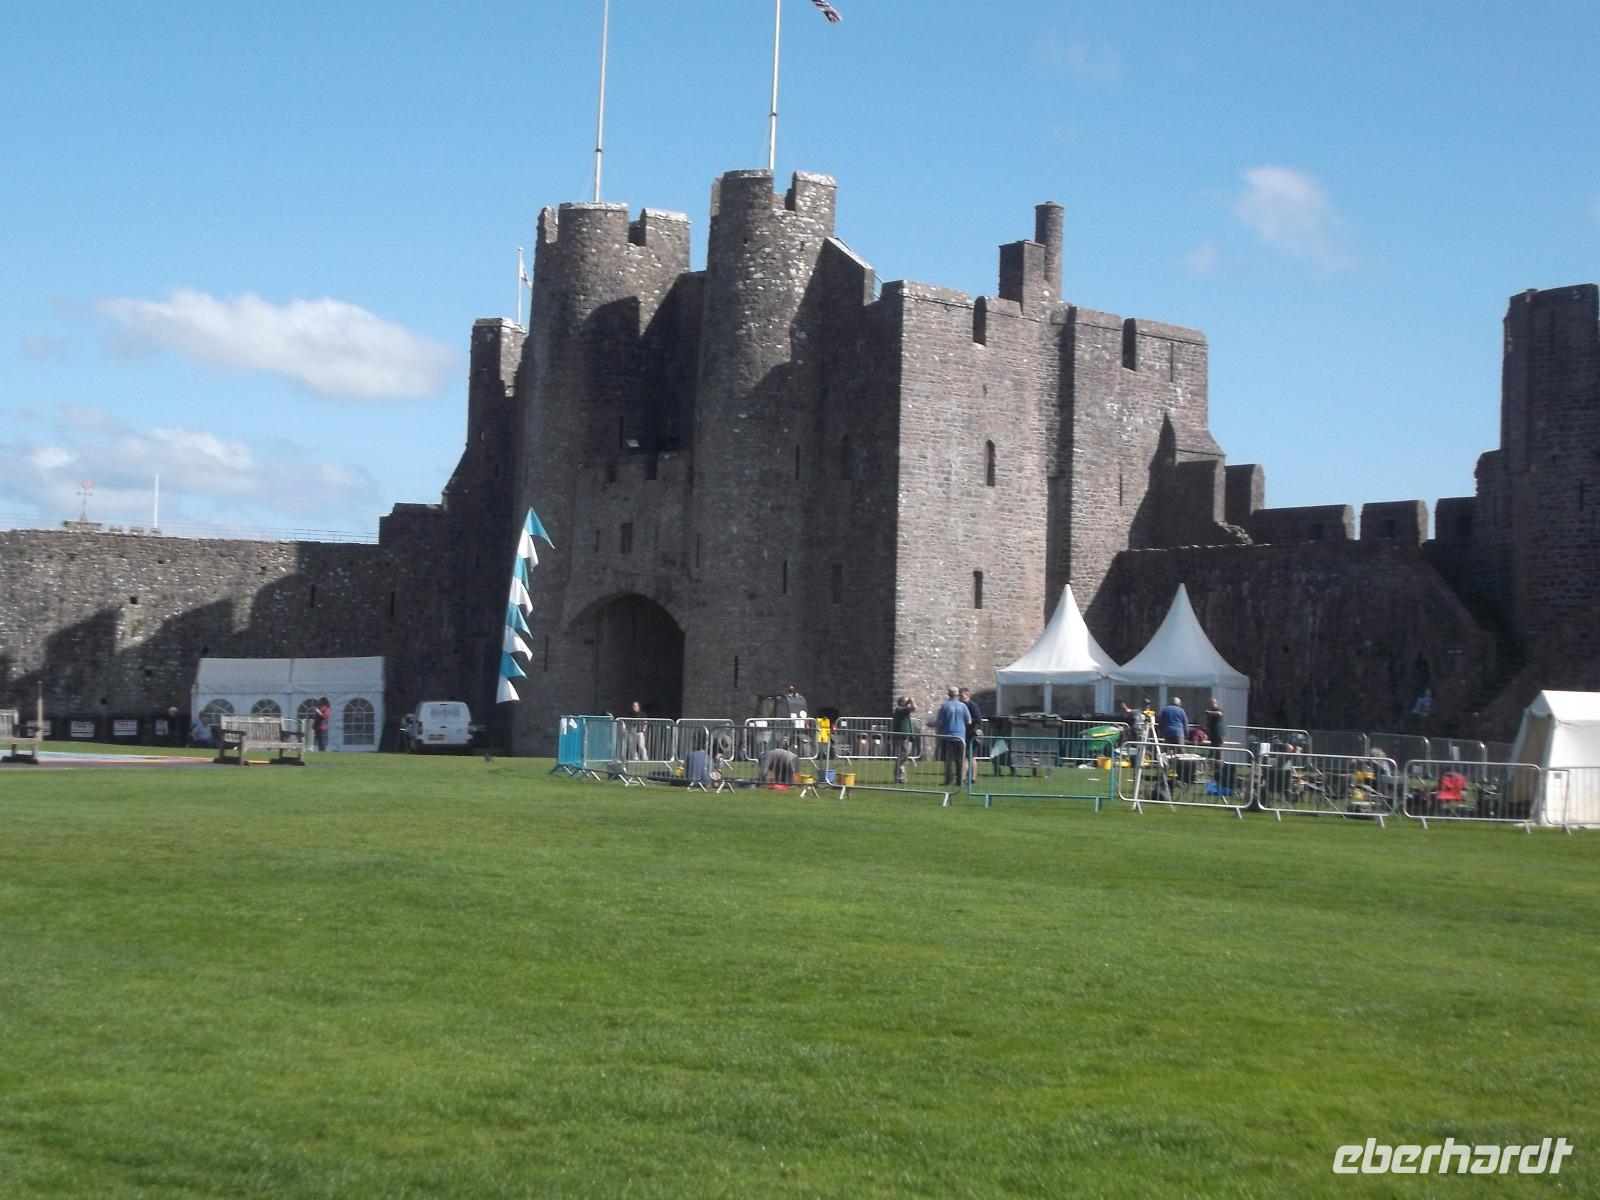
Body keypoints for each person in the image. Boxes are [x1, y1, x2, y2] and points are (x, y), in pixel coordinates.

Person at [935, 686, 970, 787]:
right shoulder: (963, 706)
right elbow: (969, 721)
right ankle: (960, 781)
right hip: (960, 736)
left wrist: (932, 724)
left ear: (948, 694)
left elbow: (940, 722)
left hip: (947, 735)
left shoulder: (945, 706)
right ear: (958, 694)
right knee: (959, 759)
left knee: (948, 760)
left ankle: (948, 780)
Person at [960, 687, 984, 783]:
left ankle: (972, 777)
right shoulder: (961, 705)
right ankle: (963, 777)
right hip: (964, 733)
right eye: (959, 695)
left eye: (962, 695)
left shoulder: (972, 705)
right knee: (965, 756)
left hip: (972, 733)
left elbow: (978, 719)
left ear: (967, 695)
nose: (960, 698)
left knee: (970, 756)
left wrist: (967, 721)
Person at [892, 695, 918, 783]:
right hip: (903, 737)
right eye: (906, 702)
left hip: (905, 737)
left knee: (903, 757)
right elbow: (914, 707)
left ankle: (899, 776)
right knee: (902, 757)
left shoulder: (901, 711)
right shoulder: (900, 710)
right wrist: (912, 699)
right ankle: (900, 777)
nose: (908, 704)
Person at [1203, 697, 1225, 761]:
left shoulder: (1218, 709)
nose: (1209, 705)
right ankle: (1212, 766)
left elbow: (1219, 714)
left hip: (1218, 733)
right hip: (1212, 734)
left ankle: (1219, 767)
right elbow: (1208, 722)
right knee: (1212, 751)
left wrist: (1209, 712)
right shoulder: (1210, 711)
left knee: (1218, 750)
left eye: (1211, 703)